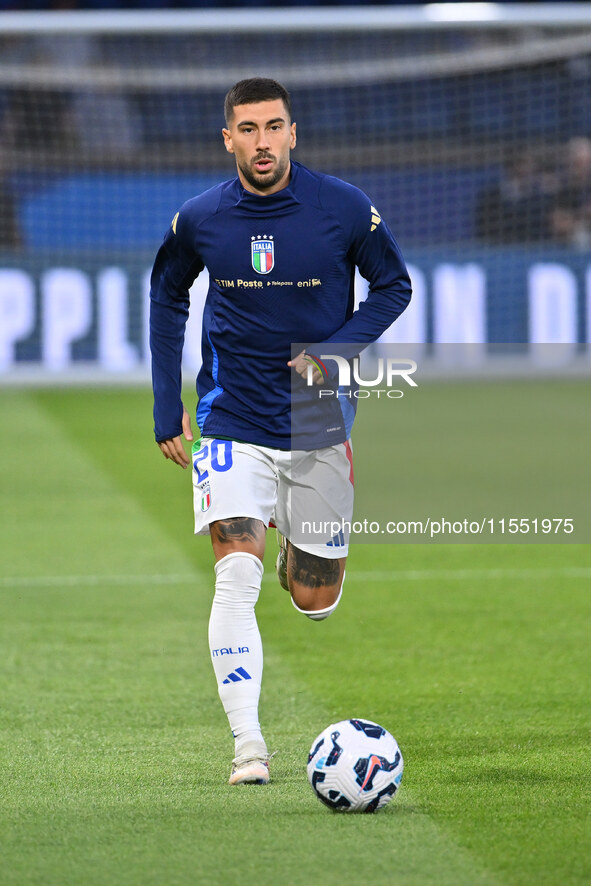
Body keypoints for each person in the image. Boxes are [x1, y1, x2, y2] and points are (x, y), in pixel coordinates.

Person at [149, 78, 411, 785]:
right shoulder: (201, 218)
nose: (261, 142)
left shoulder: (343, 208)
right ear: (227, 139)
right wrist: (161, 401)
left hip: (317, 423)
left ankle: (298, 543)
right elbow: (167, 292)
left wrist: (337, 351)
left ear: (292, 132)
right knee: (234, 575)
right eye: (247, 129)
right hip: (230, 417)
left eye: (273, 127)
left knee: (312, 600)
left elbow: (394, 286)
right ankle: (248, 748)